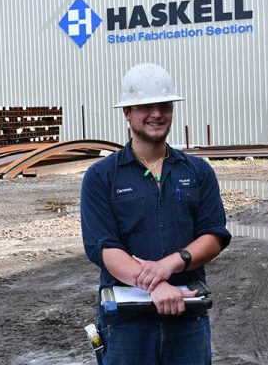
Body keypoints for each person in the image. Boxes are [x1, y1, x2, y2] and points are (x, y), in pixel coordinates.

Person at [81, 63, 231, 365]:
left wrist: (170, 265)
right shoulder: (101, 176)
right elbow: (103, 247)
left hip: (187, 318)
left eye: (164, 106)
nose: (157, 114)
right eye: (145, 107)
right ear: (127, 112)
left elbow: (214, 234)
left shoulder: (197, 171)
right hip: (127, 324)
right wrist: (156, 285)